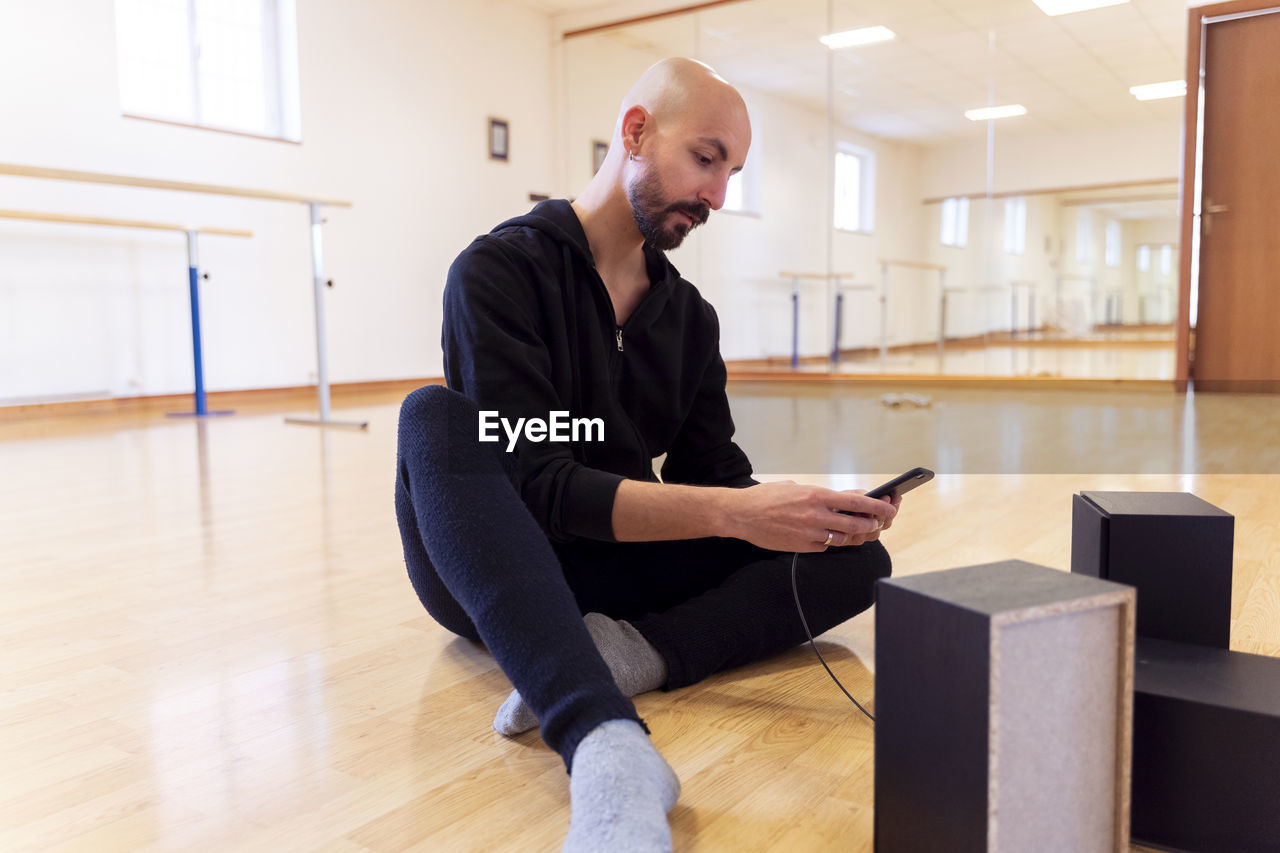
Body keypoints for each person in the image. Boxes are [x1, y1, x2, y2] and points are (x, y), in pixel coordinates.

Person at [394, 57, 900, 852]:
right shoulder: (498, 273)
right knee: (432, 416)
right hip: (497, 572)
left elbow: (716, 480)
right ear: (635, 133)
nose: (718, 196)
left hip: (618, 573)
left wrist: (804, 516)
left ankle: (629, 652)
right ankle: (604, 740)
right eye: (706, 159)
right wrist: (738, 512)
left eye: (731, 172)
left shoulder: (691, 319)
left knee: (857, 565)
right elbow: (540, 489)